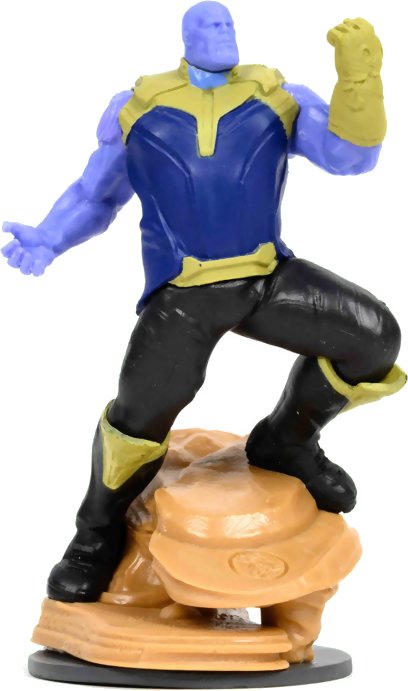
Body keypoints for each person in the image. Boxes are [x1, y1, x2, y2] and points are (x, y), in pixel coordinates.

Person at [2, 1, 405, 603]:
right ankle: (96, 533)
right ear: (186, 36)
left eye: (228, 23)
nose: (223, 31)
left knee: (373, 338)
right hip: (183, 294)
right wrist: (48, 237)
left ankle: (287, 441)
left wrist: (358, 80)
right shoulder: (139, 108)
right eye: (210, 24)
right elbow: (95, 194)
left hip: (267, 278)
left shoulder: (275, 96)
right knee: (138, 416)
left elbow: (352, 156)